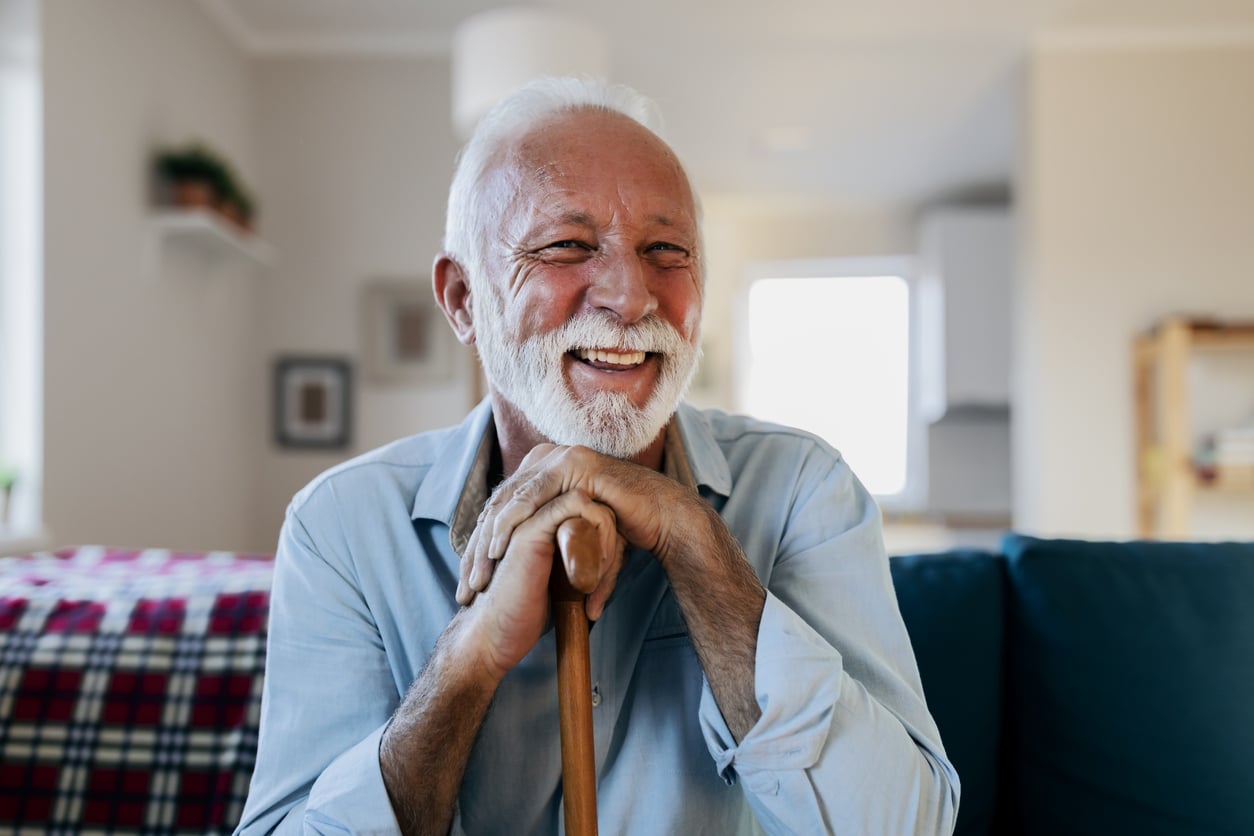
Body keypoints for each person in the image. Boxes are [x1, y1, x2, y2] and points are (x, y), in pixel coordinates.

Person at [236, 77, 959, 835]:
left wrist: (696, 543)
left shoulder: (807, 490)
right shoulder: (341, 525)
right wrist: (468, 661)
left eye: (665, 250)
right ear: (461, 300)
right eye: (568, 246)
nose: (631, 295)